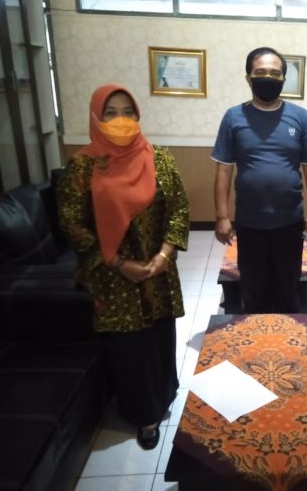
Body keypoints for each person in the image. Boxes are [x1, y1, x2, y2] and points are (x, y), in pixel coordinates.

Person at [57, 84, 189, 451]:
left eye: (127, 112)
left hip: (158, 272)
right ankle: (143, 414)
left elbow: (179, 208)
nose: (121, 120)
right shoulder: (83, 166)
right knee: (130, 348)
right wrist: (118, 262)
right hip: (114, 278)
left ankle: (164, 393)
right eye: (110, 113)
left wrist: (164, 255)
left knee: (159, 338)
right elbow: (72, 225)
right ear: (96, 118)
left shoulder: (159, 158)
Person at [212, 46, 307, 313]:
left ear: (284, 78)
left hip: (290, 223)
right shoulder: (233, 117)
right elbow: (224, 170)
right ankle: (257, 337)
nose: (268, 77)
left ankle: (283, 337)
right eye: (260, 72)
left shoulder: (300, 117)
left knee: (288, 291)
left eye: (275, 73)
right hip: (250, 223)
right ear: (248, 77)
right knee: (253, 291)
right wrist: (221, 216)